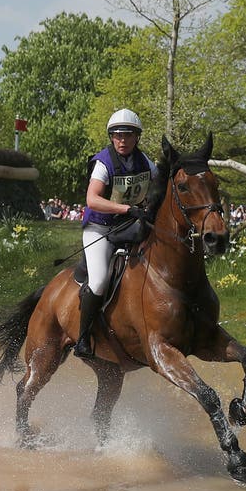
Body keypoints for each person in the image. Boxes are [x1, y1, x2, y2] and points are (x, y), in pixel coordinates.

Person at [75, 108, 159, 359]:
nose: (122, 140)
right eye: (117, 135)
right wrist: (128, 209)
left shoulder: (146, 162)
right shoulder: (104, 163)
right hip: (100, 227)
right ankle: (82, 339)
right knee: (100, 279)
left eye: (128, 135)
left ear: (137, 138)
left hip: (128, 226)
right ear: (111, 137)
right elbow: (92, 199)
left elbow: (159, 186)